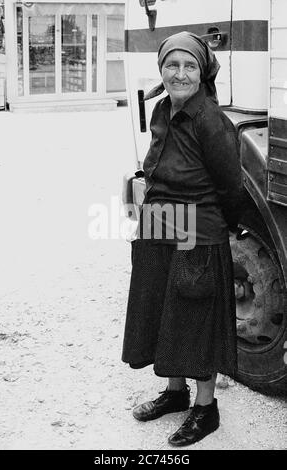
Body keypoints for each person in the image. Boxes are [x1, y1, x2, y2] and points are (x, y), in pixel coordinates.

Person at [122, 31, 245, 447]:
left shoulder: (211, 120)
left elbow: (231, 186)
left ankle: (205, 409)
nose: (179, 74)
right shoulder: (160, 109)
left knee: (196, 318)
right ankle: (175, 393)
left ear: (202, 71)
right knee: (163, 309)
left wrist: (218, 229)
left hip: (198, 232)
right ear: (161, 69)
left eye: (189, 65)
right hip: (159, 227)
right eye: (171, 65)